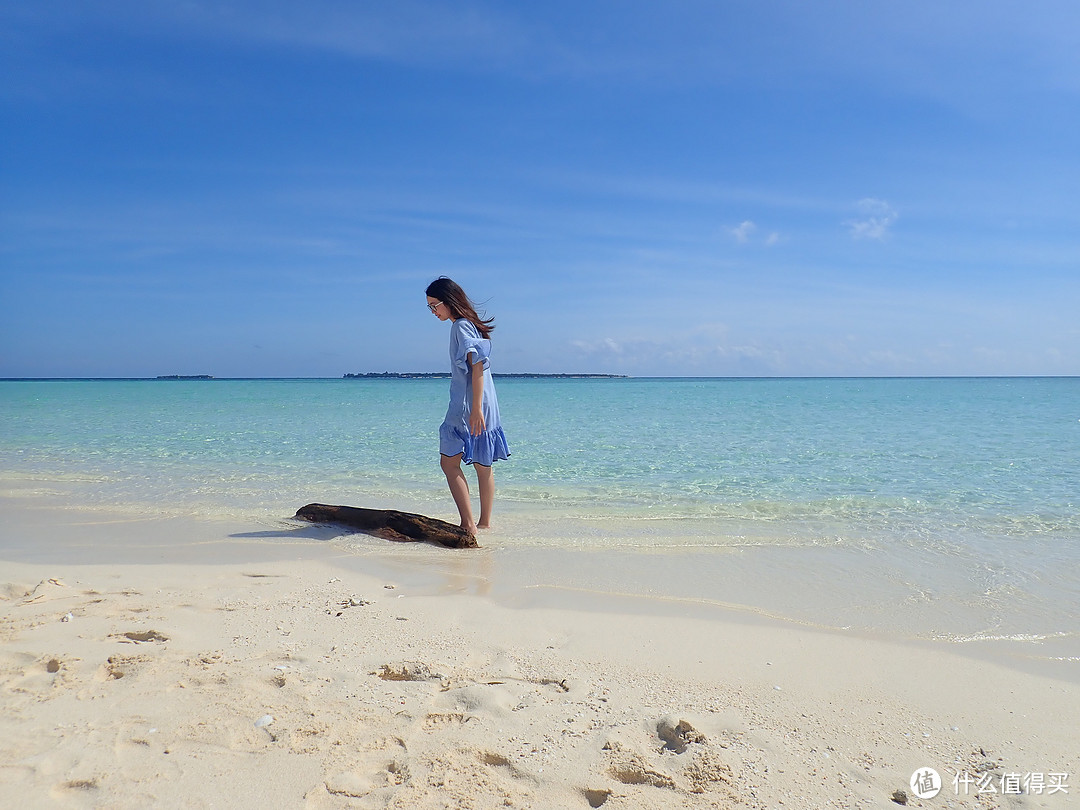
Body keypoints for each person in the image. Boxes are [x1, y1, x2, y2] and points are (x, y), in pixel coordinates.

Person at [425, 277, 510, 535]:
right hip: (486, 403)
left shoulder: (460, 327)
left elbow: (476, 366)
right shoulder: (470, 325)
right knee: (483, 466)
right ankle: (484, 523)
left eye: (434, 305)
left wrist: (474, 409)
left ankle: (468, 525)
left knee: (449, 463)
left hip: (467, 405)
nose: (433, 312)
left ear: (448, 301)